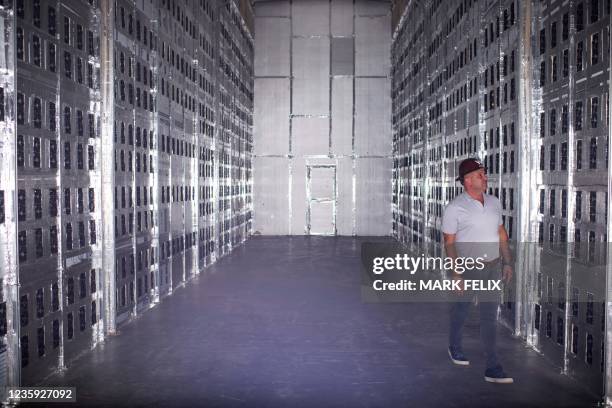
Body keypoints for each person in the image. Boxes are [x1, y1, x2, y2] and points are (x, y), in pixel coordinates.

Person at [441, 158, 514, 384]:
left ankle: (492, 367)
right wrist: (456, 273)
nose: (485, 177)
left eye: (484, 173)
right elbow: (449, 243)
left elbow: (501, 233)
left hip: (492, 267)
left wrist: (507, 261)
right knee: (460, 311)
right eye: (481, 174)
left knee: (489, 317)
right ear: (467, 180)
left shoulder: (493, 202)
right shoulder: (455, 208)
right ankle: (454, 346)